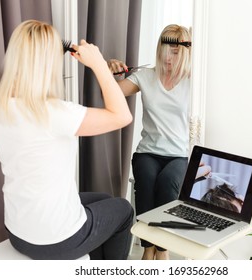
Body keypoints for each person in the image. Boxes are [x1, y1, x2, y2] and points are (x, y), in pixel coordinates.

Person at [0, 20, 134, 260]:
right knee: (123, 210)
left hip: (18, 232)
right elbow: (122, 116)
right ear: (47, 64)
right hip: (57, 240)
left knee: (104, 200)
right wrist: (99, 65)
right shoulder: (54, 113)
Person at [108, 24, 192, 260]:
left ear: (185, 53)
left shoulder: (193, 81)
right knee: (145, 181)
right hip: (148, 152)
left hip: (178, 155)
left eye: (175, 52)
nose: (168, 57)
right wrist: (107, 71)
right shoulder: (145, 76)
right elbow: (114, 93)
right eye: (165, 50)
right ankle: (149, 248)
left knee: (167, 184)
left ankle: (160, 250)